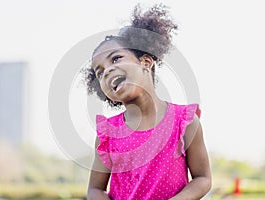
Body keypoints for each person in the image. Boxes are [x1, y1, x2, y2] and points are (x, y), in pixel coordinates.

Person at [84, 4, 211, 200]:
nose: (107, 71)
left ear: (145, 62)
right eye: (99, 72)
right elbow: (95, 189)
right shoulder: (108, 134)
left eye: (116, 59)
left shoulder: (184, 121)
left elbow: (202, 178)